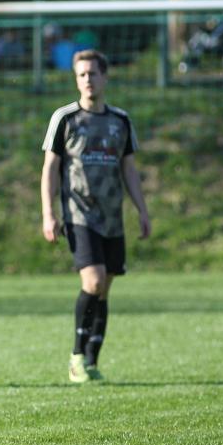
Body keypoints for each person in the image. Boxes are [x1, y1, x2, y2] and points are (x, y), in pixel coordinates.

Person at [40, 50, 151, 383]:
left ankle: (91, 360)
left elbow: (129, 170)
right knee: (94, 281)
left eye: (92, 73)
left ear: (105, 77)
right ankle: (76, 357)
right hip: (78, 214)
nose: (87, 80)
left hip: (112, 217)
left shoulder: (120, 121)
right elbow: (50, 168)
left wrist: (142, 211)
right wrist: (48, 213)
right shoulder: (65, 118)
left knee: (105, 288)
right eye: (81, 74)